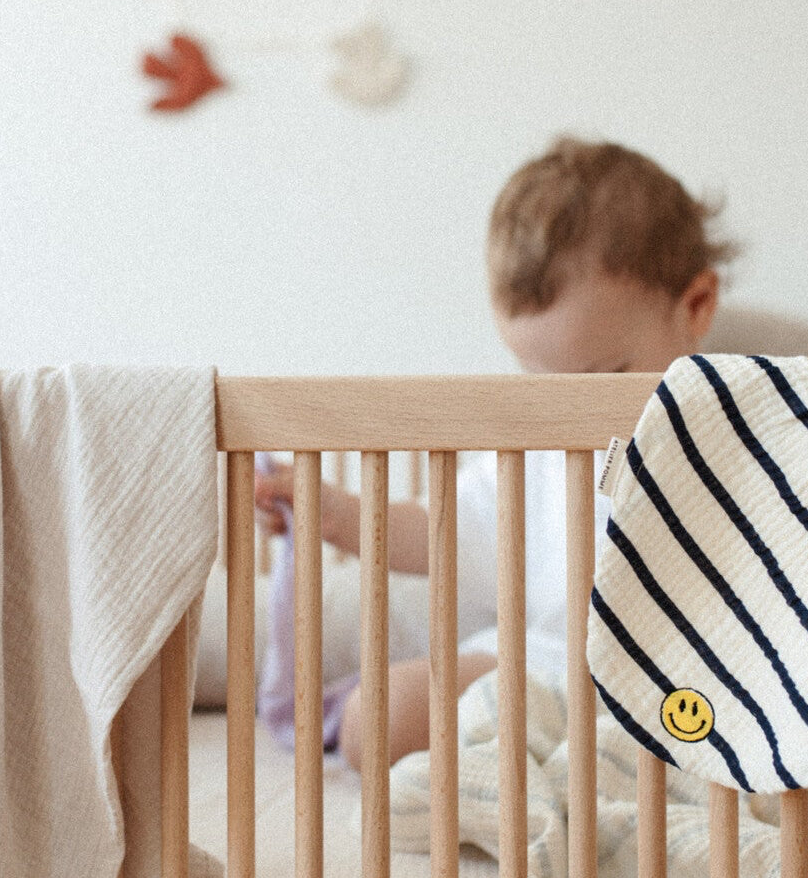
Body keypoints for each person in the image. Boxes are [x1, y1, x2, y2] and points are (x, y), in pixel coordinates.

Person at [255, 138, 735, 768]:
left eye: (601, 376)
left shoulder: (750, 425)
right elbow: (443, 531)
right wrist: (339, 516)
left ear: (695, 306)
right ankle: (544, 771)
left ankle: (603, 770)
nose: (568, 410)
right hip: (545, 669)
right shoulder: (531, 453)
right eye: (540, 379)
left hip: (696, 678)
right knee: (378, 717)